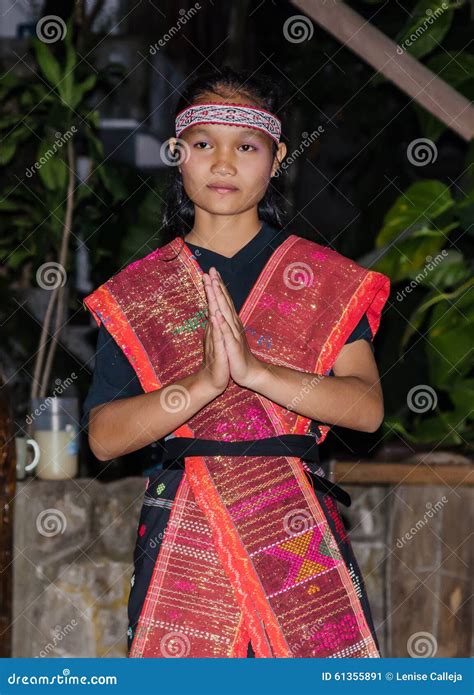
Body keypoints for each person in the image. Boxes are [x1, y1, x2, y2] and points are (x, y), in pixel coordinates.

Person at [82, 67, 390, 658]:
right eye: (204, 144)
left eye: (246, 147)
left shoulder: (323, 278)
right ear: (180, 156)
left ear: (275, 160)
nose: (223, 163)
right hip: (182, 538)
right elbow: (103, 438)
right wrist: (200, 387)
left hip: (296, 536)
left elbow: (367, 410)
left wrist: (257, 374)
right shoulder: (140, 292)